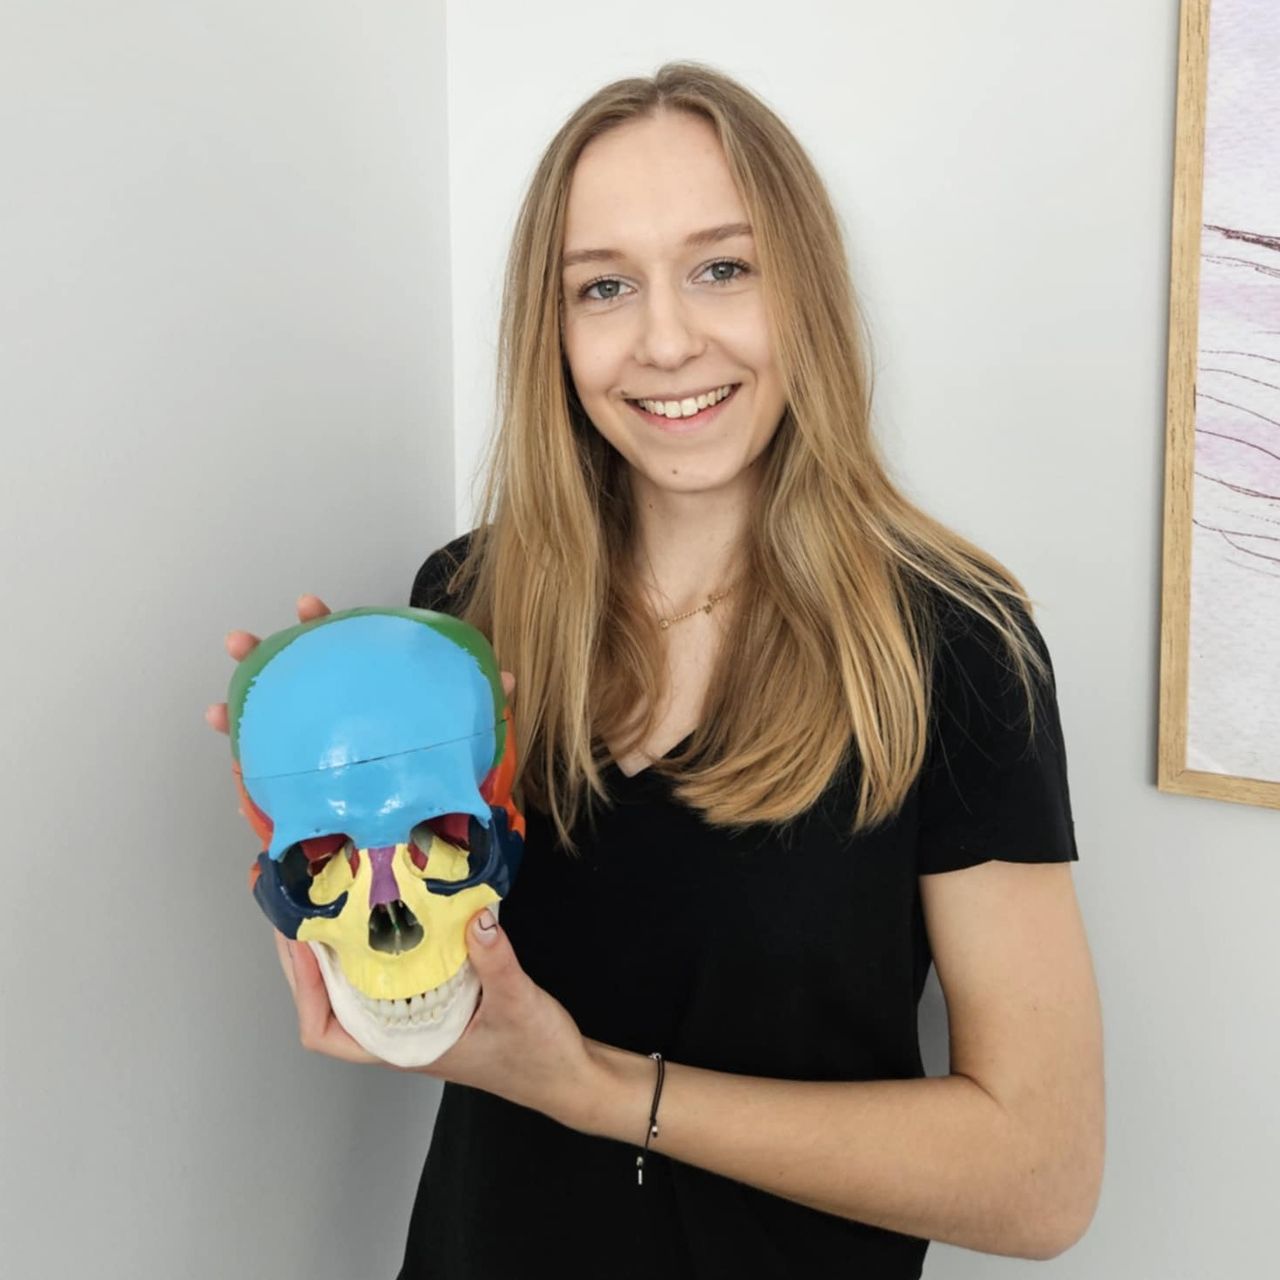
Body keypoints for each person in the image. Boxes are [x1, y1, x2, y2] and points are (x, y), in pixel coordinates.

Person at [207, 62, 1104, 1279]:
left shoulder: (954, 644)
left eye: (722, 268)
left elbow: (1039, 1176)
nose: (667, 339)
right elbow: (423, 960)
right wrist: (319, 776)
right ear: (552, 328)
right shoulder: (464, 607)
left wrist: (590, 1086)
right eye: (604, 285)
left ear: (805, 288)